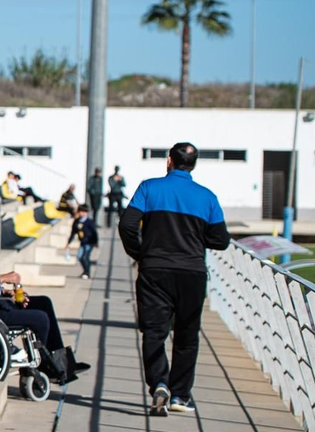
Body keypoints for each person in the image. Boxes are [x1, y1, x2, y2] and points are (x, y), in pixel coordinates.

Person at [119, 142, 230, 416]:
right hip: (192, 273)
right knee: (187, 336)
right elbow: (221, 240)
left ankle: (159, 382)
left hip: (154, 270)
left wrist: (141, 252)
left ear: (169, 160)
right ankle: (180, 395)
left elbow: (127, 225)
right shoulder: (207, 197)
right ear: (193, 165)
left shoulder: (149, 188)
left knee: (154, 332)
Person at [0, 208, 86, 382]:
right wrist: (2, 279)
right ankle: (45, 365)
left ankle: (61, 361)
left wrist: (3, 291)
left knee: (43, 302)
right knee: (40, 318)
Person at [68, 202, 98, 279]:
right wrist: (69, 242)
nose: (82, 213)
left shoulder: (89, 222)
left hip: (89, 242)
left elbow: (94, 232)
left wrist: (95, 242)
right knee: (80, 256)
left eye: (84, 212)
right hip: (82, 242)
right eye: (80, 212)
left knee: (86, 257)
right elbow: (73, 232)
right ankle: (85, 270)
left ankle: (87, 273)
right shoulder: (77, 222)